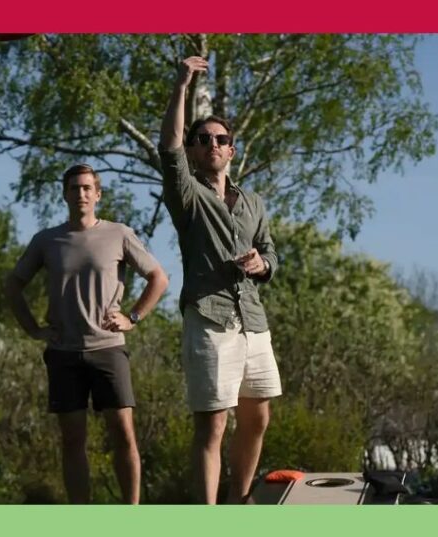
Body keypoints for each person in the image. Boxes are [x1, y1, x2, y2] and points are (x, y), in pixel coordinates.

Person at [4, 163, 169, 504]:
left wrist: (133, 316)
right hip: (64, 352)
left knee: (123, 434)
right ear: (65, 194)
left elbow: (159, 278)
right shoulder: (47, 240)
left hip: (109, 349)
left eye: (86, 188)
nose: (80, 194)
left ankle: (131, 514)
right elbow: (13, 286)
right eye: (74, 188)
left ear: (98, 194)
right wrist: (33, 328)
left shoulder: (119, 233)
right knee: (72, 439)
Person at [158, 56, 283, 504]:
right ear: (194, 150)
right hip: (209, 321)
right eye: (203, 139)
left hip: (253, 322)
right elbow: (168, 148)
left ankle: (238, 503)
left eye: (221, 139)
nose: (212, 144)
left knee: (258, 417)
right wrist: (182, 86)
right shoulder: (186, 195)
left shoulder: (254, 202)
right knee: (212, 425)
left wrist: (262, 264)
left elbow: (270, 251)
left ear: (232, 150)